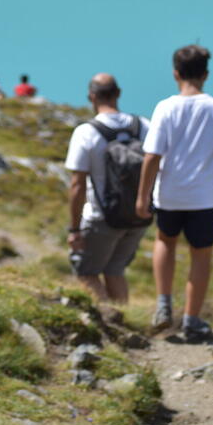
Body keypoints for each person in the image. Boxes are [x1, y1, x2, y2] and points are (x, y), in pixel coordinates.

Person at [136, 44, 213, 340]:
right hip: (204, 198)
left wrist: (142, 196)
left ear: (175, 73)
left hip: (169, 194)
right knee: (201, 254)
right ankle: (192, 319)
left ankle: (163, 305)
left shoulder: (165, 107)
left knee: (165, 241)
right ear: (206, 75)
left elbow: (152, 156)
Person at [65, 73, 150, 303]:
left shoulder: (86, 132)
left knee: (86, 272)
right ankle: (126, 323)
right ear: (118, 94)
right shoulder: (143, 126)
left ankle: (110, 320)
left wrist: (74, 229)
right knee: (115, 270)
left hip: (102, 218)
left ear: (91, 96)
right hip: (140, 214)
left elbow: (77, 184)